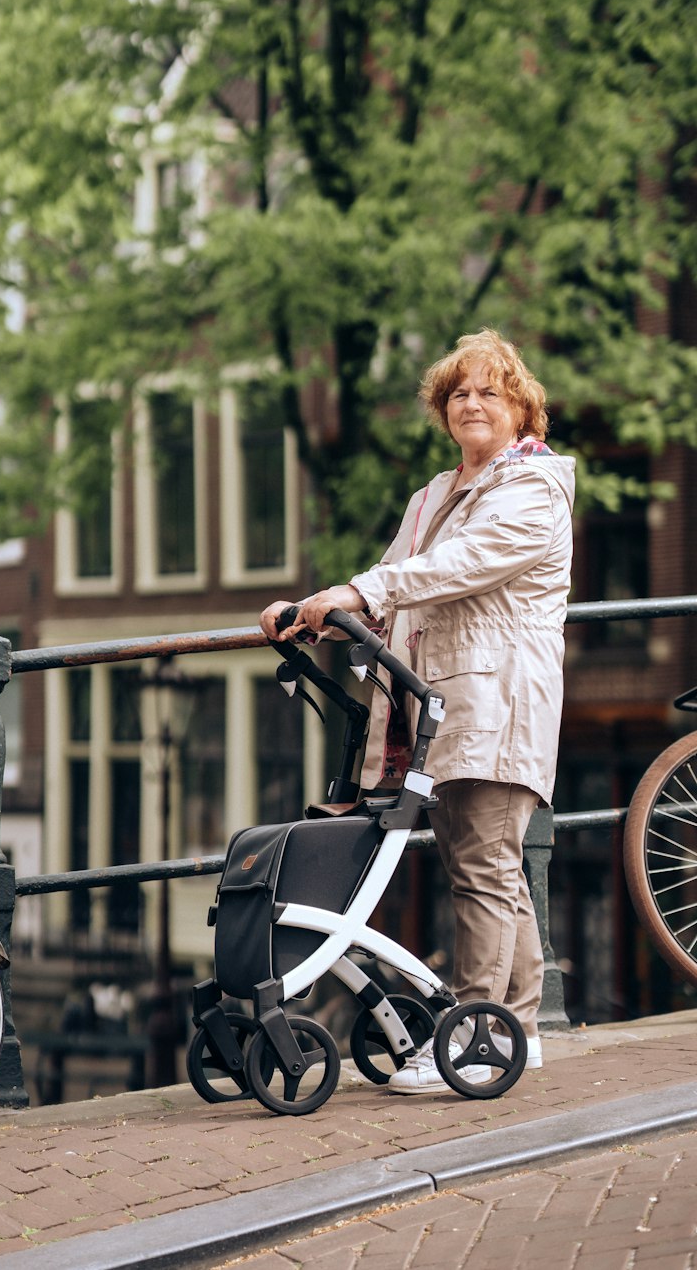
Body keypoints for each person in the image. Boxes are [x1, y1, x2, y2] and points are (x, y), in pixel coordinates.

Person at [260, 329, 575, 1094]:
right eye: (459, 392)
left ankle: (472, 1040)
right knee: (487, 865)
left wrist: (360, 593)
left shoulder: (533, 489)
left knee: (486, 868)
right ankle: (519, 1031)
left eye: (489, 391)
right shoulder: (434, 494)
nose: (472, 402)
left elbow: (454, 567)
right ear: (442, 408)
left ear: (521, 410)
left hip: (499, 698)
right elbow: (397, 575)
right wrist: (313, 608)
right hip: (442, 705)